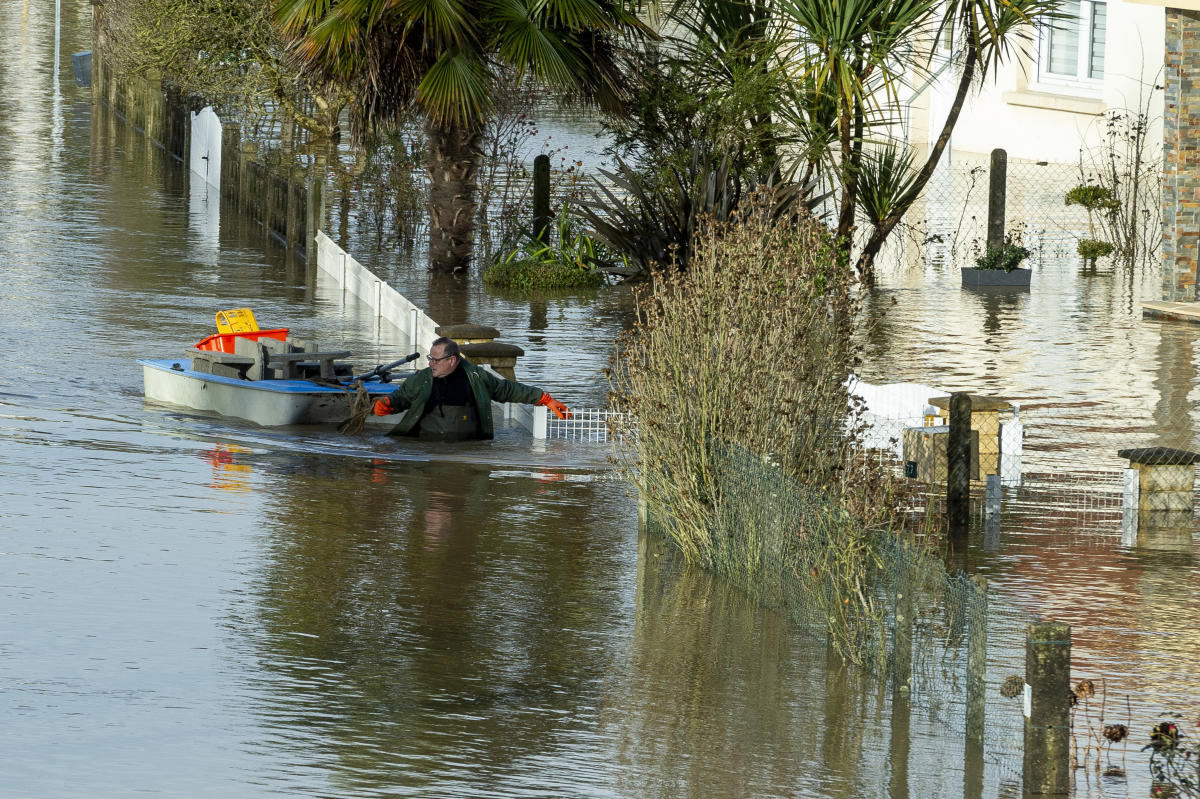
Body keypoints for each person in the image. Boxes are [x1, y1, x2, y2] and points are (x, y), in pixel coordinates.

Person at [372, 336, 571, 441]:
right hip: (425, 449)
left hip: (469, 448)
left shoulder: (476, 377)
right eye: (430, 358)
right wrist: (386, 403)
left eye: (436, 360)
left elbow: (507, 390)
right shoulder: (422, 379)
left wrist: (544, 398)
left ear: (452, 360)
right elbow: (402, 398)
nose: (431, 363)